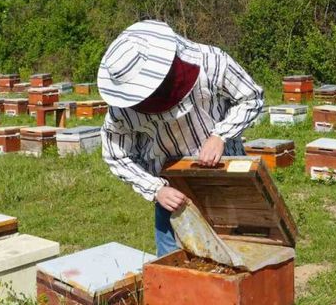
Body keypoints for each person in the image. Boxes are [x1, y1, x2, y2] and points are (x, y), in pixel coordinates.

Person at [98, 20, 264, 256]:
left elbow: (251, 97)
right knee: (176, 278)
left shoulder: (212, 62)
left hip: (229, 181)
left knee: (243, 263)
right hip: (173, 196)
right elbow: (115, 153)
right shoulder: (122, 110)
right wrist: (156, 189)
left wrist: (221, 134)